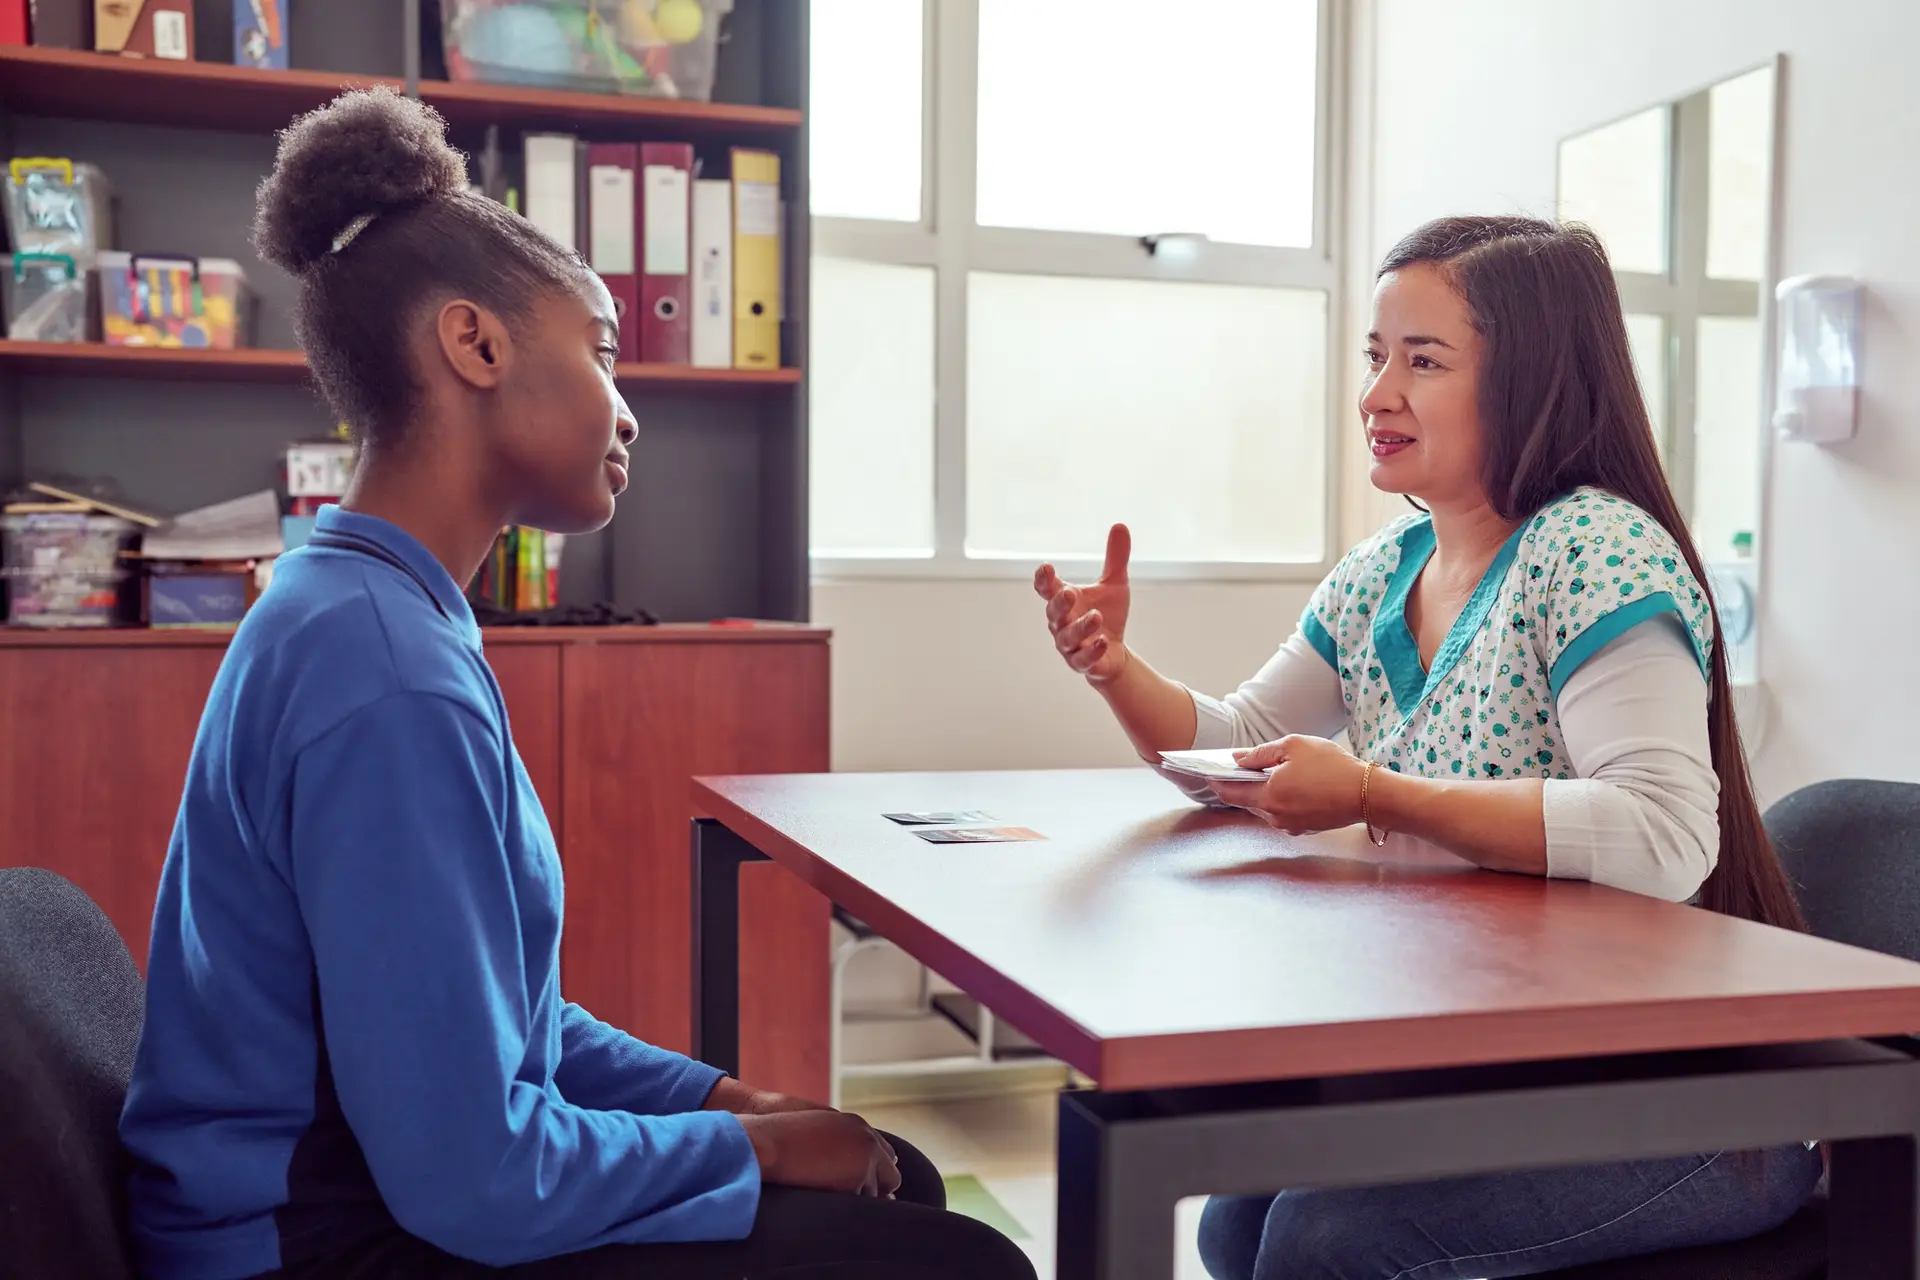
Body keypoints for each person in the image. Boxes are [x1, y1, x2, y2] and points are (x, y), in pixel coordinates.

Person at [119, 88, 1034, 1280]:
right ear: (478, 345)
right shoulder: (387, 671)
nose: (629, 409)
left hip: (377, 1192)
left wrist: (730, 1095)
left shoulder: (372, 610)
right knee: (968, 1263)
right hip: (318, 1245)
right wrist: (744, 1149)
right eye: (604, 351)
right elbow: (477, 1175)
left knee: (892, 1175)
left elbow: (505, 1036)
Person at [1034, 216, 1821, 1279]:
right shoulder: (1384, 569)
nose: (1376, 395)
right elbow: (1244, 745)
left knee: (1325, 1241)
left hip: (1684, 1093)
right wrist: (1113, 667)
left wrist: (1373, 790)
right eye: (1374, 356)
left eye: (1423, 359)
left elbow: (1666, 832)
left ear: (1531, 380)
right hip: (1508, 1063)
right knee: (1234, 1220)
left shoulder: (1596, 550)